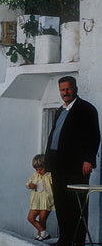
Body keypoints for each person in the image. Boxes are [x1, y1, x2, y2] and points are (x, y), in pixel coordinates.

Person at [45, 76, 100, 246]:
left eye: (68, 89)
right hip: (58, 165)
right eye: (62, 90)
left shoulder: (86, 109)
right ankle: (64, 240)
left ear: (75, 89)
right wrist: (47, 162)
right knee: (61, 204)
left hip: (77, 167)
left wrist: (88, 160)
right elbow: (55, 136)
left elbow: (94, 136)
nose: (65, 93)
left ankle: (77, 242)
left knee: (77, 204)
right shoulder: (60, 110)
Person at [26, 154, 54, 241]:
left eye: (40, 169)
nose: (38, 172)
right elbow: (27, 183)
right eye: (36, 170)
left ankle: (41, 236)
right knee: (30, 218)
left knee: (42, 219)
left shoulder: (49, 176)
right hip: (36, 201)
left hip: (46, 201)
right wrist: (30, 185)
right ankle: (43, 232)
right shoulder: (34, 176)